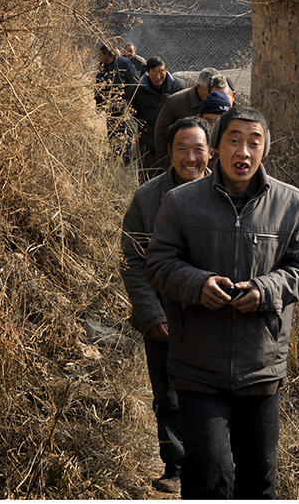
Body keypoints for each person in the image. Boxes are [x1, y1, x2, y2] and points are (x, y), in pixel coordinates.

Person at [146, 105, 299, 500]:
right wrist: (198, 284)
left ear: (265, 150)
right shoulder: (180, 202)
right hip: (197, 364)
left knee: (258, 479)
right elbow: (158, 263)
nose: (243, 151)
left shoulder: (293, 205)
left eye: (253, 142)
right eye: (234, 140)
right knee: (209, 476)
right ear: (216, 148)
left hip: (260, 365)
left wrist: (266, 290)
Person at [121, 117, 213, 494]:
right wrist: (151, 314)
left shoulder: (227, 195)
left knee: (214, 394)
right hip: (164, 317)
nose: (190, 158)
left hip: (214, 318)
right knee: (168, 395)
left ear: (211, 151)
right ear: (169, 152)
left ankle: (213, 463)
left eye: (198, 149)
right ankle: (175, 465)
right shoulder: (148, 198)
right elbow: (133, 260)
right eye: (182, 149)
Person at [131, 55, 185, 182]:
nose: (158, 76)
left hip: (171, 144)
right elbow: (134, 113)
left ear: (166, 70)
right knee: (148, 182)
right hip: (148, 144)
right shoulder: (139, 90)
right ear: (147, 72)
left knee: (174, 181)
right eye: (154, 72)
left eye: (161, 71)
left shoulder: (178, 87)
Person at [153, 67, 217, 171]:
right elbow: (160, 134)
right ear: (199, 87)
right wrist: (169, 166)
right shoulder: (175, 102)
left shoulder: (220, 103)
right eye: (209, 91)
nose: (213, 95)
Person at [94, 43, 139, 163]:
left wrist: (127, 101)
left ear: (107, 54)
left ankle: (126, 157)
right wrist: (99, 103)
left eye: (100, 54)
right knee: (111, 131)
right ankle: (114, 155)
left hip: (125, 105)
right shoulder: (102, 66)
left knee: (126, 131)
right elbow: (98, 86)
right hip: (110, 105)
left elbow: (134, 82)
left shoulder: (123, 63)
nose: (99, 57)